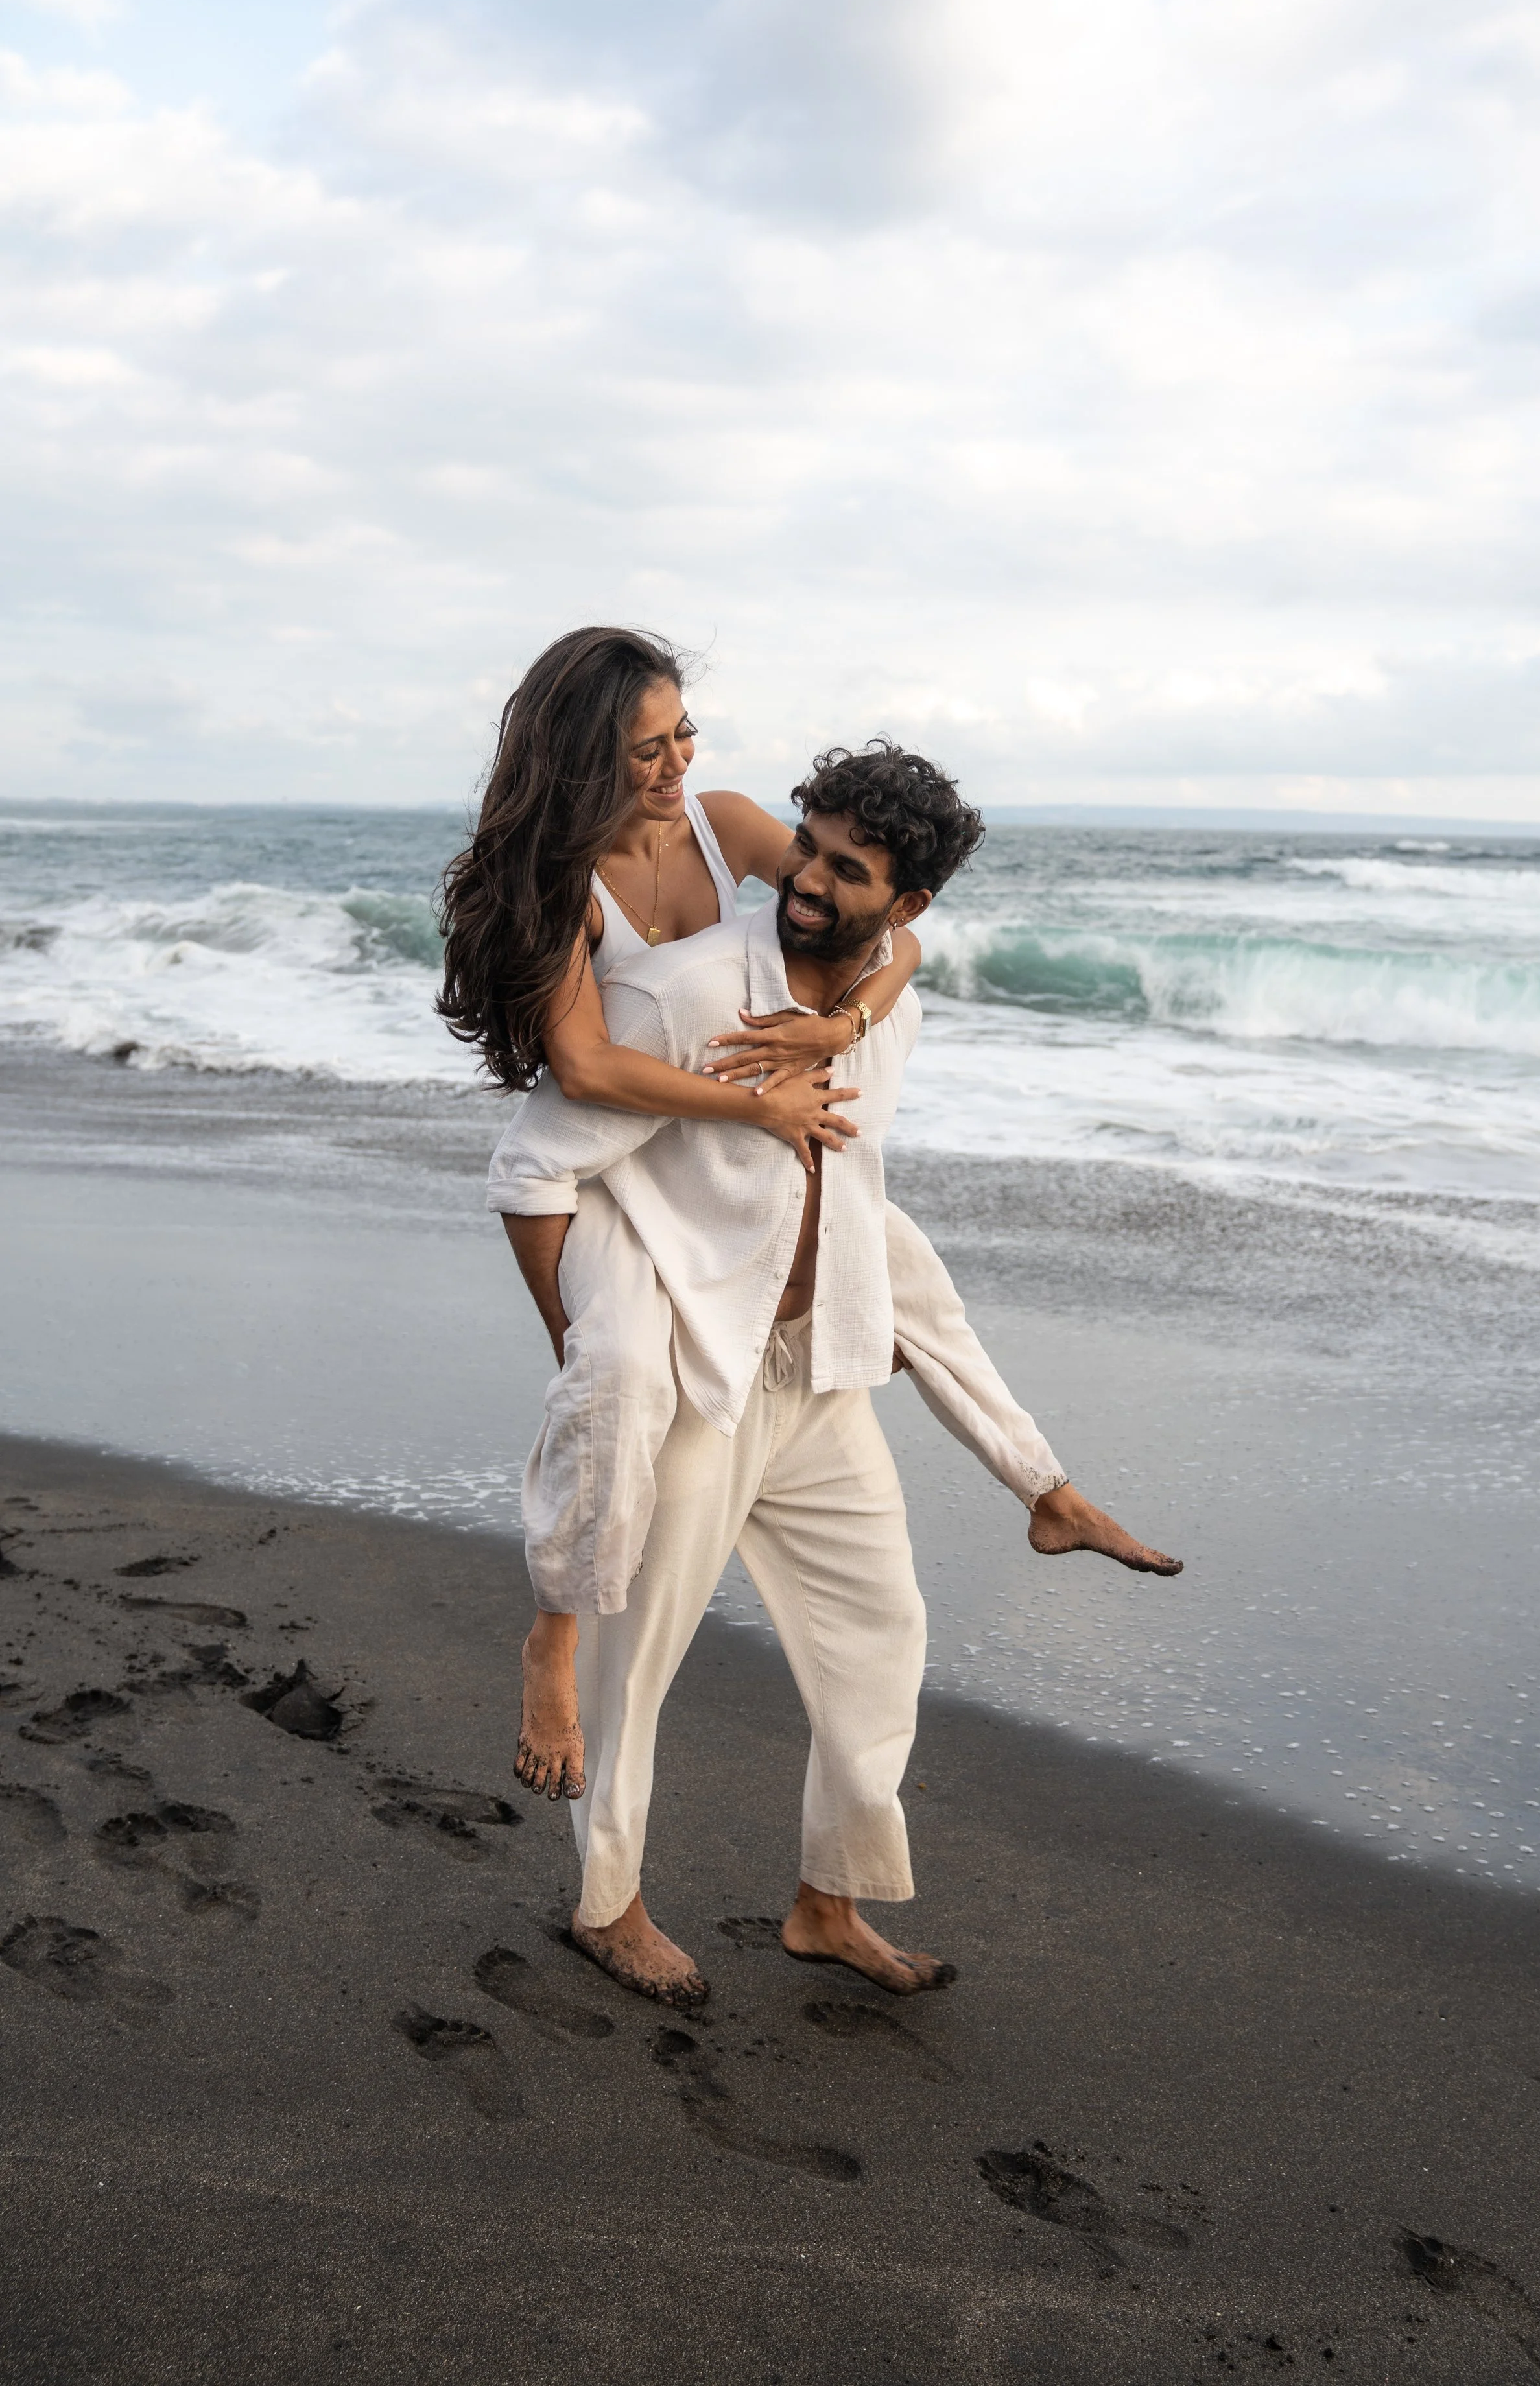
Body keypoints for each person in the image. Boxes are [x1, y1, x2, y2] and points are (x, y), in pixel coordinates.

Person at [482, 738, 1181, 2009]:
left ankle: (826, 1903)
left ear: (905, 908)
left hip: (818, 1380)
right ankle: (606, 1906)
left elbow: (869, 1217)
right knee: (634, 1667)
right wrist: (583, 1351)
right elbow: (534, 1166)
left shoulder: (890, 1010)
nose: (802, 877)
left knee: (880, 1637)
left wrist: (1027, 1466)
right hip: (701, 1376)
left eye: (842, 867)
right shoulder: (690, 995)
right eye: (803, 845)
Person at [442, 629, 1176, 1653]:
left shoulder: (720, 823)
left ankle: (1047, 1488)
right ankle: (555, 1634)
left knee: (910, 1280)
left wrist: (846, 1024)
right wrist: (758, 1111)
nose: (676, 763)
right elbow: (588, 1072)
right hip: (617, 1157)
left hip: (700, 1140)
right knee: (617, 1372)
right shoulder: (566, 885)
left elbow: (877, 919)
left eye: (682, 733)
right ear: (580, 758)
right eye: (644, 749)